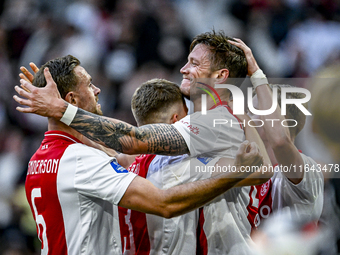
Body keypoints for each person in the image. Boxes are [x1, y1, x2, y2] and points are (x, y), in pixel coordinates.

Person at [24, 55, 264, 255]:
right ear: (72, 99)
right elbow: (164, 202)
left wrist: (53, 108)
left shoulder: (39, 159)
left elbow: (99, 147)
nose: (97, 90)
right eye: (88, 84)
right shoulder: (81, 160)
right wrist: (234, 173)